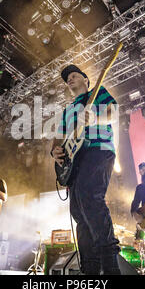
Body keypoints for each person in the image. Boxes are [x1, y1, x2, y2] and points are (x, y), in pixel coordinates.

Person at [50, 64, 121, 275]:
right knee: (78, 211)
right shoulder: (68, 110)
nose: (69, 79)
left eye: (73, 75)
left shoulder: (98, 92)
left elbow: (113, 113)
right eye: (67, 78)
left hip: (99, 149)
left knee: (90, 197)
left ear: (85, 80)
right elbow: (59, 136)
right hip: (76, 160)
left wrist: (96, 118)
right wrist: (54, 151)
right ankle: (90, 269)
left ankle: (110, 264)